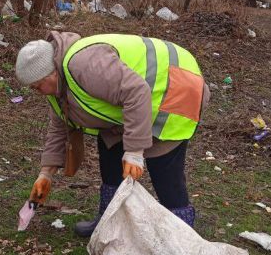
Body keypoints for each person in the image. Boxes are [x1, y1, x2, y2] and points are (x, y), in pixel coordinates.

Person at [15, 31, 209, 236]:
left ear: (51, 73)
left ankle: (182, 238)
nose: (37, 91)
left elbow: (136, 91)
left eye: (37, 86)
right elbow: (59, 127)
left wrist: (134, 151)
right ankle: (109, 224)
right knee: (110, 150)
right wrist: (46, 174)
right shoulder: (57, 88)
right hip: (134, 104)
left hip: (174, 89)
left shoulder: (84, 65)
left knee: (165, 173)